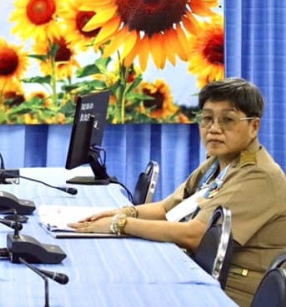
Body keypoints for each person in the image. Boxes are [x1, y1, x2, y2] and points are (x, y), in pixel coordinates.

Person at [69, 78, 286, 306]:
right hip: (201, 271)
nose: (214, 128)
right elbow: (167, 208)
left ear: (254, 126)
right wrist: (122, 212)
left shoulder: (259, 174)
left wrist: (121, 225)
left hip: (232, 292)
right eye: (207, 118)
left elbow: (196, 235)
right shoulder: (219, 162)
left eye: (227, 120)